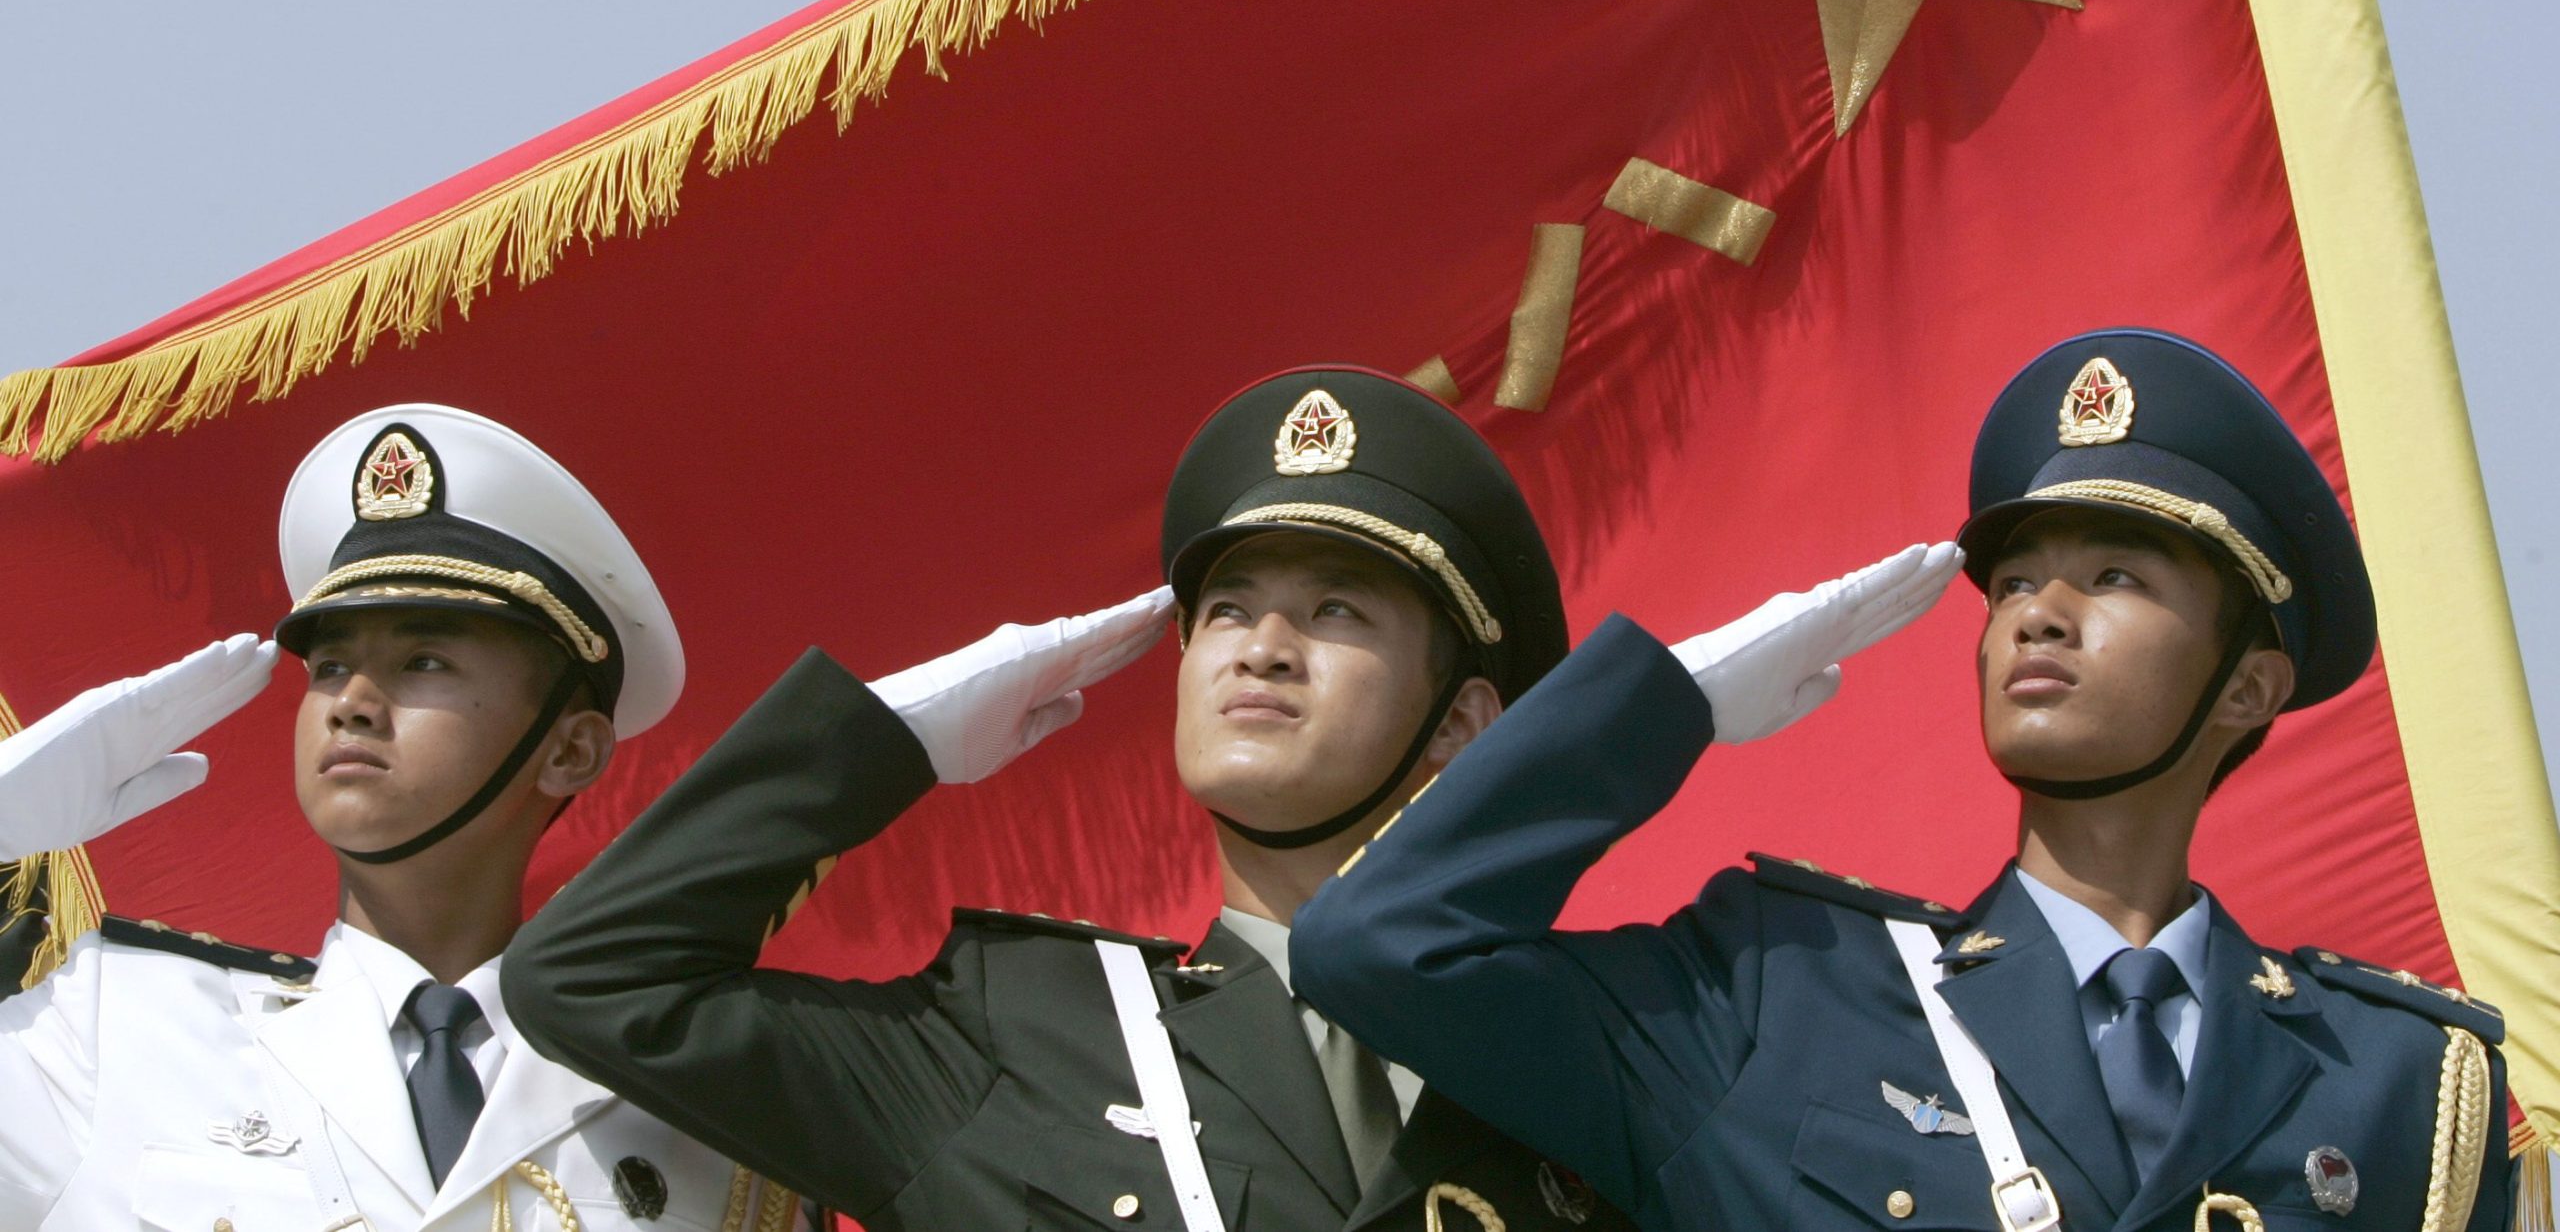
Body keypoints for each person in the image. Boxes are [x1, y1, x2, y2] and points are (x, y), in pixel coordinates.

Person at [503, 365, 1941, 1231]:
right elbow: (592, 976)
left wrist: (1635, 724)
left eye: (1335, 609)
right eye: (1229, 608)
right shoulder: (1025, 1031)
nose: (1259, 643)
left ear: (1464, 723)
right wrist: (891, 734)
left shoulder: (1620, 1034)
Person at [1292, 329, 2514, 1232]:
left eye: (2115, 577)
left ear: (2246, 686)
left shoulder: (2397, 1079)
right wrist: (1664, 701)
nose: (2039, 612)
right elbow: (1376, 946)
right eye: (2016, 580)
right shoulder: (1776, 988)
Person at [0, 405, 800, 1232]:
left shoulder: (696, 1092)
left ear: (570, 749)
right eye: (330, 665)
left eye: (423, 660)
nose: (350, 702)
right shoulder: (116, 1023)